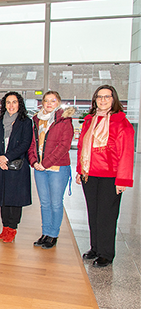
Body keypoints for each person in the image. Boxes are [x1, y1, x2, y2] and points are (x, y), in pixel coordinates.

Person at [76, 85, 134, 267]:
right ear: (95, 100)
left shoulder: (121, 122)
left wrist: (122, 180)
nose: (102, 100)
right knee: (93, 213)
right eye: (99, 97)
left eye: (106, 97)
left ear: (114, 99)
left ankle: (106, 253)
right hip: (90, 175)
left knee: (107, 216)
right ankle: (95, 247)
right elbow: (82, 147)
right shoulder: (89, 121)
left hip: (111, 177)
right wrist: (80, 170)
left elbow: (126, 154)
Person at [28, 91, 74, 249]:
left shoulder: (64, 121)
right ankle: (45, 232)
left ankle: (53, 234)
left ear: (58, 102)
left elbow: (64, 146)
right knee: (44, 203)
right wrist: (33, 161)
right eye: (46, 101)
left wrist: (45, 163)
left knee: (55, 203)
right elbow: (32, 144)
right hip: (39, 168)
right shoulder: (36, 120)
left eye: (52, 101)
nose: (48, 104)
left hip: (57, 168)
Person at [0, 92, 33, 243]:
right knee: (3, 197)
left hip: (16, 167)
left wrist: (7, 157)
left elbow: (25, 144)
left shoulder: (25, 122)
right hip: (1, 165)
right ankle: (5, 227)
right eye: (8, 102)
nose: (11, 105)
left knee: (14, 199)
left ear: (19, 104)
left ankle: (12, 228)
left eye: (14, 102)